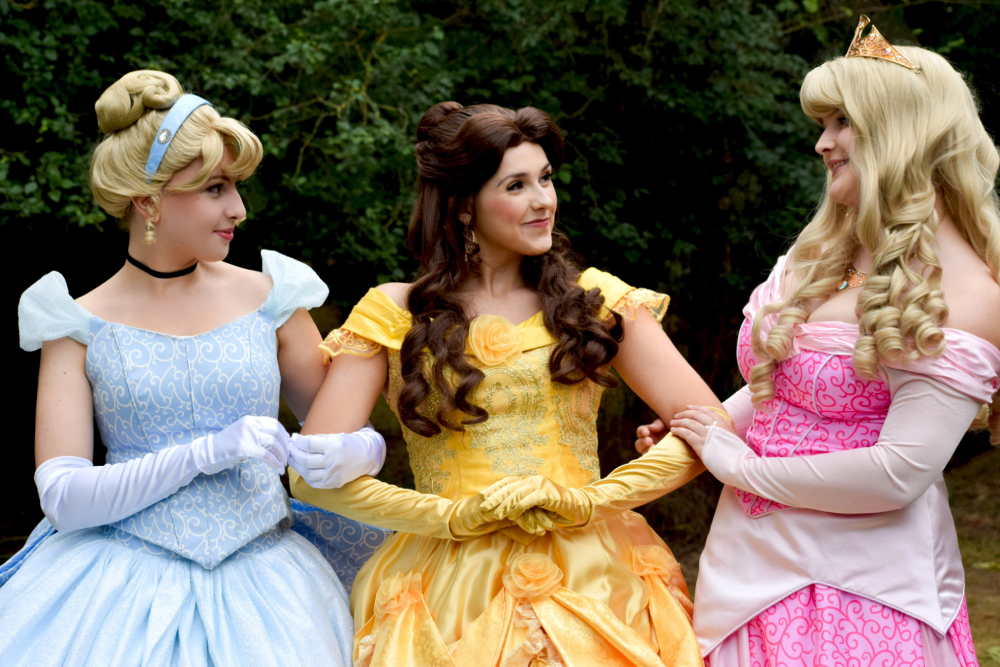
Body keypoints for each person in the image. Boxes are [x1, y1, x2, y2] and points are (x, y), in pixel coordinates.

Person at [290, 100, 724, 667]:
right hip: (448, 590)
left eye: (545, 178)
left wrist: (592, 500)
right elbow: (312, 478)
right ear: (463, 207)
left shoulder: (597, 301)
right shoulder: (395, 312)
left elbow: (711, 429)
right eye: (516, 185)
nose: (544, 200)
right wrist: (447, 517)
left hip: (597, 577)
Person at [638, 17, 999, 666]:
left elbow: (898, 472)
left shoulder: (965, 290)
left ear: (903, 131)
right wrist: (702, 430)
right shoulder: (819, 256)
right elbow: (780, 392)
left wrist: (737, 464)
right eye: (822, 125)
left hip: (861, 591)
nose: (822, 143)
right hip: (746, 571)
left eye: (841, 123)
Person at [0, 70, 389, 667]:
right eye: (214, 188)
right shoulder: (74, 324)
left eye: (235, 186)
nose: (238, 208)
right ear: (147, 200)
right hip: (116, 597)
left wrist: (355, 452)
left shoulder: (275, 299)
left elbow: (351, 433)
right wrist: (203, 454)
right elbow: (63, 497)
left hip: (273, 593)